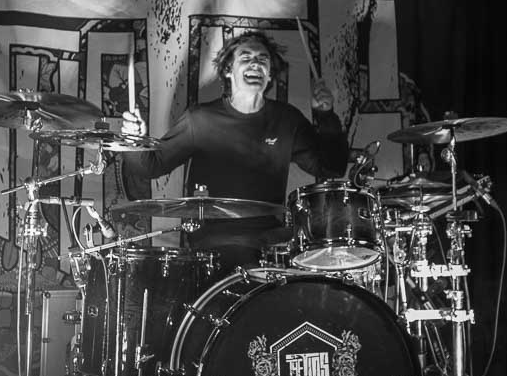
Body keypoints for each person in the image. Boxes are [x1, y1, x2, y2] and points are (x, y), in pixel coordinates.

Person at [120, 30, 349, 273]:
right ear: (228, 70)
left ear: (270, 73)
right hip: (211, 245)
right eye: (246, 57)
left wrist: (326, 116)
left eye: (262, 59)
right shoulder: (201, 119)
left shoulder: (287, 120)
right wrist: (134, 140)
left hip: (269, 245)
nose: (255, 63)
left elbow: (331, 167)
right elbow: (151, 166)